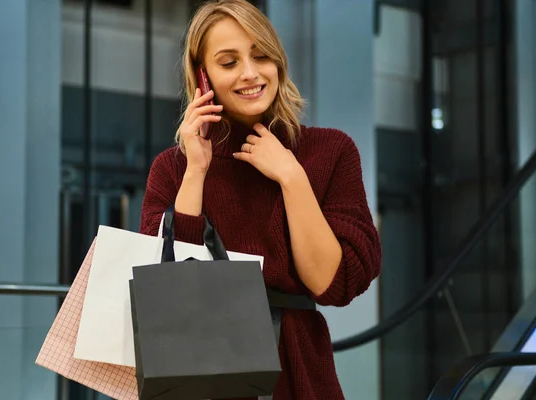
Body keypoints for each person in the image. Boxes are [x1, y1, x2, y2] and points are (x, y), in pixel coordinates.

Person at [139, 0, 382, 399]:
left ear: (278, 62)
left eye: (261, 55)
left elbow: (333, 285)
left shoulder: (331, 151)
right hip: (201, 372)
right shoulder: (173, 168)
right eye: (228, 62)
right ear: (203, 77)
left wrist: (291, 176)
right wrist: (196, 171)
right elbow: (165, 281)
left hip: (299, 372)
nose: (250, 73)